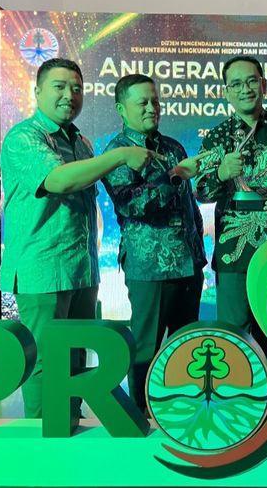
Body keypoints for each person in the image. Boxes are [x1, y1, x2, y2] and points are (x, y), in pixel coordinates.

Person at [0, 58, 160, 418]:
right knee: (44, 361)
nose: (69, 95)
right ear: (37, 91)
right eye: (59, 87)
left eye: (76, 88)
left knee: (75, 359)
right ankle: (43, 441)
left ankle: (68, 429)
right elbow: (59, 180)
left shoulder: (81, 142)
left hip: (81, 269)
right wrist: (120, 155)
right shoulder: (24, 137)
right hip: (42, 269)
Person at [101, 74, 207, 413]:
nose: (151, 108)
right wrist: (174, 176)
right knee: (146, 347)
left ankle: (180, 412)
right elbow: (133, 205)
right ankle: (140, 414)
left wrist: (198, 253)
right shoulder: (117, 152)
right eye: (142, 102)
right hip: (150, 266)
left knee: (185, 346)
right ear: (121, 108)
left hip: (188, 264)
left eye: (155, 101)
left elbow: (188, 205)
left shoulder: (173, 147)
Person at [195, 56, 267, 354]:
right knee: (232, 338)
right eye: (236, 84)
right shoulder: (217, 136)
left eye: (251, 81)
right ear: (226, 92)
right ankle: (237, 386)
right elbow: (201, 191)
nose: (245, 89)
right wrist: (221, 173)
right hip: (233, 250)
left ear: (264, 85)